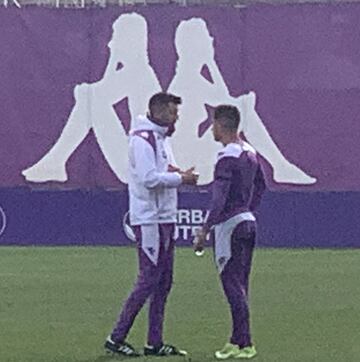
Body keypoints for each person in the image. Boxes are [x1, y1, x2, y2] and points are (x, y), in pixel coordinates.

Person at [105, 92, 198, 357]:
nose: (176, 117)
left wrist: (177, 171)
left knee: (164, 281)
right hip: (149, 218)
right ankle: (116, 337)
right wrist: (182, 180)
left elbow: (162, 167)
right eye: (172, 112)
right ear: (157, 112)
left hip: (164, 216)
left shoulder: (160, 137)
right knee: (148, 279)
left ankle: (154, 342)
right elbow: (148, 178)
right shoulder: (142, 139)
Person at [169, 17, 316, 185]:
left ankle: (280, 167)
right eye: (206, 38)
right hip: (191, 164)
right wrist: (209, 61)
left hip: (198, 157)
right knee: (243, 110)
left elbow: (223, 99)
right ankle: (280, 166)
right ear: (194, 46)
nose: (211, 41)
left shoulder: (195, 77)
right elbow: (229, 106)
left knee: (240, 109)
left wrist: (210, 63)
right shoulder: (187, 81)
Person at [22, 13, 161, 184]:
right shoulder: (135, 71)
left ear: (129, 42)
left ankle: (56, 160)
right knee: (91, 99)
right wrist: (112, 61)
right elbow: (101, 88)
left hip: (139, 166)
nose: (110, 44)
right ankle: (56, 160)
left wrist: (112, 60)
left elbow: (94, 93)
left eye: (115, 38)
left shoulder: (138, 73)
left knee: (92, 100)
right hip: (140, 161)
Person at [194, 105, 266, 360]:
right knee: (241, 284)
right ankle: (236, 340)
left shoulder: (226, 157)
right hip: (248, 221)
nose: (211, 128)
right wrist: (247, 209)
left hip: (230, 226)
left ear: (221, 126)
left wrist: (205, 229)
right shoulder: (250, 152)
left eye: (213, 124)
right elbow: (262, 185)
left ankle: (245, 343)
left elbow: (219, 198)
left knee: (231, 285)